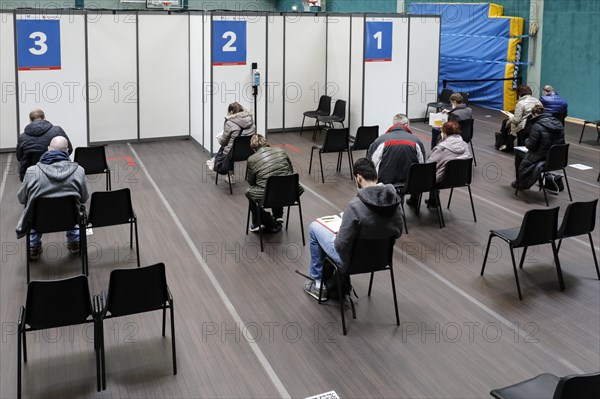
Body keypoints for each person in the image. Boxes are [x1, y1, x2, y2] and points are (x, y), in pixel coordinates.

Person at [303, 158, 403, 301]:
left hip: (351, 262)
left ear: (359, 178)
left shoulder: (355, 206)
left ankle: (318, 283)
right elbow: (397, 232)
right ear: (376, 176)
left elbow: (340, 246)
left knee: (315, 228)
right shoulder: (395, 201)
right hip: (382, 260)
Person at [16, 136, 89, 260]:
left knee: (33, 207)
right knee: (75, 206)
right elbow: (84, 198)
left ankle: (33, 246)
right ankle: (75, 241)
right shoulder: (79, 170)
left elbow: (22, 199)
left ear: (48, 149)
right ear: (67, 151)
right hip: (70, 219)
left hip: (39, 221)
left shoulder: (32, 171)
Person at [245, 134, 303, 233]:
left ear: (253, 147)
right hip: (290, 193)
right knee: (278, 182)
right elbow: (290, 171)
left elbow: (251, 182)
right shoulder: (281, 151)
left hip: (269, 195)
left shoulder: (252, 159)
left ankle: (267, 222)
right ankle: (278, 216)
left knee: (249, 192)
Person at [366, 114, 425, 206]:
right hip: (410, 182)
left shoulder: (381, 140)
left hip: (385, 182)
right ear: (406, 125)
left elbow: (370, 162)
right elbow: (421, 164)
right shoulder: (416, 141)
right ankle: (414, 200)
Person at [512, 104, 565, 190]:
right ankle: (546, 180)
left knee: (518, 154)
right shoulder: (559, 123)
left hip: (542, 158)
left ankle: (520, 183)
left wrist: (526, 140)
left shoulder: (537, 126)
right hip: (556, 160)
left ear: (534, 115)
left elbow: (530, 146)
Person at [16, 109, 73, 181]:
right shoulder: (57, 130)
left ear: (30, 121)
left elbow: (19, 157)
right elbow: (69, 150)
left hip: (33, 176)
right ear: (44, 118)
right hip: (57, 173)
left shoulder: (22, 137)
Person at [425, 121, 471, 207]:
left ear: (444, 133)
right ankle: (433, 200)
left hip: (443, 180)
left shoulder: (441, 148)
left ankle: (414, 200)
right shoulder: (465, 145)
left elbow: (428, 166)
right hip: (462, 178)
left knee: (420, 173)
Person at [208, 102, 256, 176]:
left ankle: (221, 168)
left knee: (226, 146)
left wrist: (219, 138)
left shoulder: (230, 123)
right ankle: (215, 161)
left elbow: (223, 142)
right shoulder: (251, 123)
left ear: (231, 112)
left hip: (233, 154)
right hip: (248, 152)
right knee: (233, 144)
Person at [496, 85, 541, 152]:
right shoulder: (538, 101)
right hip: (536, 124)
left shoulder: (520, 103)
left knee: (506, 122)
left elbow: (516, 120)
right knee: (507, 122)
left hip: (525, 126)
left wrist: (511, 118)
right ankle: (504, 144)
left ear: (519, 94)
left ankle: (504, 144)